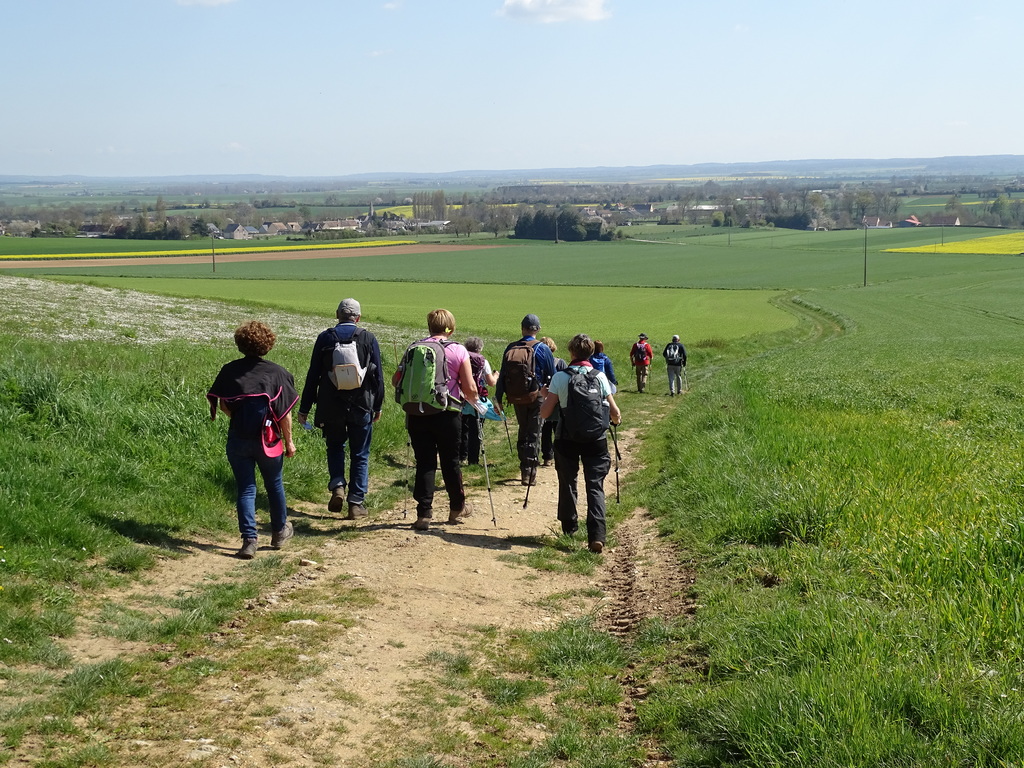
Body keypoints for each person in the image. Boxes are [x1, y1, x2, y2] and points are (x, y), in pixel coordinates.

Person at [207, 321, 298, 559]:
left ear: (240, 343)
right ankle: (279, 532)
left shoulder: (229, 371)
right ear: (268, 344)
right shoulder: (277, 373)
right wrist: (289, 441)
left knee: (246, 489)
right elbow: (284, 414)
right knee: (274, 484)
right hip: (268, 440)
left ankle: (249, 541)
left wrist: (240, 419)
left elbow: (224, 406)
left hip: (238, 438)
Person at [393, 309, 482, 531]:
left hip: (417, 413)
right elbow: (470, 388)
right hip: (447, 413)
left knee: (425, 463)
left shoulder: (414, 348)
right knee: (450, 462)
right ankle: (456, 507)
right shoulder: (458, 350)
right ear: (450, 328)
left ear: (429, 326)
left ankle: (424, 514)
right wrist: (474, 400)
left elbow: (396, 381)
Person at [297, 298, 384, 520]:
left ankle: (337, 486)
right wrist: (377, 405)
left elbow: (313, 375)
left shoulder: (325, 338)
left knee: (335, 446)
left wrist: (304, 407)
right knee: (360, 453)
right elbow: (378, 376)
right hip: (361, 405)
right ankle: (356, 503)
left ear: (337, 315)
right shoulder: (368, 338)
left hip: (331, 405)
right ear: (358, 318)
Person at [540, 333, 621, 554]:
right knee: (595, 485)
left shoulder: (560, 377)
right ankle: (597, 535)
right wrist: (615, 421)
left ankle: (569, 528)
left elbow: (545, 413)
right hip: (596, 439)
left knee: (567, 481)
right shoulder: (600, 377)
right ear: (591, 353)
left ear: (571, 352)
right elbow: (615, 412)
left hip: (566, 437)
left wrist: (545, 395)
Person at [494, 314, 556, 486]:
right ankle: (529, 472)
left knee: (523, 429)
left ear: (522, 329)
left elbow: (503, 376)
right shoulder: (543, 348)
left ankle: (523, 466)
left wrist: (498, 399)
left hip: (516, 397)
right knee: (534, 432)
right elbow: (553, 375)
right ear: (538, 329)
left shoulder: (511, 347)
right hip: (537, 396)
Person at [460, 336, 498, 466]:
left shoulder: (461, 358)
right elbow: (491, 383)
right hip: (477, 399)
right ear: (480, 348)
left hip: (461, 397)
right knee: (476, 429)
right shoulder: (483, 361)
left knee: (462, 428)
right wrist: (496, 375)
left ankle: (461, 456)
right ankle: (473, 460)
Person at [539, 336, 568, 467]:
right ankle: (559, 456)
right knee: (558, 430)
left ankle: (547, 457)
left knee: (545, 431)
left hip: (543, 399)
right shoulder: (560, 363)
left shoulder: (537, 364)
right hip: (558, 400)